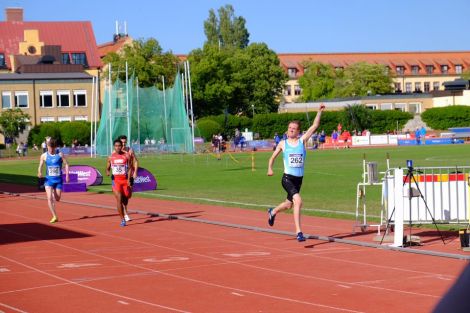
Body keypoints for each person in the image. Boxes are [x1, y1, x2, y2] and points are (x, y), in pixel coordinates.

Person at [267, 104, 325, 242]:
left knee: (289, 205)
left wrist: (319, 112)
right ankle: (299, 232)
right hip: (287, 178)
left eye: (293, 129)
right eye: (289, 128)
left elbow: (315, 126)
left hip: (299, 179)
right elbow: (272, 157)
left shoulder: (302, 141)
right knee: (298, 201)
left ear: (298, 131)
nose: (290, 130)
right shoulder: (283, 143)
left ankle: (273, 211)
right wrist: (270, 168)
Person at [37, 138, 70, 223]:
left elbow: (66, 164)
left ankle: (53, 192)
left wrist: (67, 175)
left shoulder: (60, 155)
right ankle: (54, 216)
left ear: (55, 147)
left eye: (53, 148)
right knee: (49, 198)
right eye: (49, 147)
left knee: (58, 198)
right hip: (48, 180)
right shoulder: (44, 156)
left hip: (58, 180)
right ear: (47, 146)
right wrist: (39, 172)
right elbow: (40, 165)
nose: (51, 149)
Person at [106, 139, 133, 227]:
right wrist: (108, 171)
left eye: (119, 146)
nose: (117, 147)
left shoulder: (127, 156)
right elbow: (108, 167)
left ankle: (125, 207)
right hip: (116, 181)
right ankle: (122, 219)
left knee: (126, 199)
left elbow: (129, 168)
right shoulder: (111, 157)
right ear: (114, 147)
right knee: (119, 200)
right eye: (116, 146)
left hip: (125, 180)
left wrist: (129, 179)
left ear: (122, 146)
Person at [118, 135, 139, 222]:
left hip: (129, 176)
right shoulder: (116, 152)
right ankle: (125, 213)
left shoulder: (130, 150)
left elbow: (136, 161)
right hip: (119, 177)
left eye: (124, 142)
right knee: (121, 195)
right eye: (121, 142)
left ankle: (124, 210)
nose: (123, 144)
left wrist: (135, 172)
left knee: (128, 195)